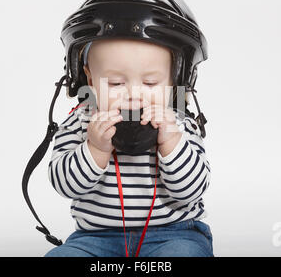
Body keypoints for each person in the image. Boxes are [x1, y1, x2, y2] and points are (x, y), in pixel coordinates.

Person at [44, 36, 213, 257]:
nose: (134, 94)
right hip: (94, 239)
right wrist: (95, 149)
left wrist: (171, 143)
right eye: (115, 83)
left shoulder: (178, 123)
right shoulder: (80, 123)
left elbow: (193, 190)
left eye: (150, 83)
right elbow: (64, 184)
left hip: (174, 235)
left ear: (174, 80)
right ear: (91, 79)